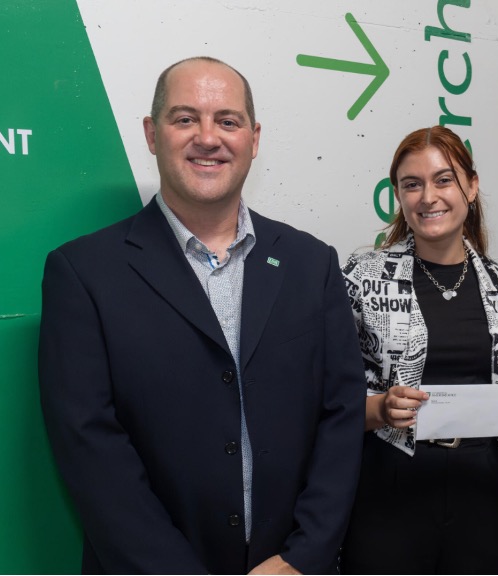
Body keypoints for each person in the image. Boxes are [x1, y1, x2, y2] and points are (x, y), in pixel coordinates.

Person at [38, 56, 365, 574]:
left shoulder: (312, 264)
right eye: (185, 118)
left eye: (227, 121)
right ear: (152, 134)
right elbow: (89, 447)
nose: (208, 138)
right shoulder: (83, 274)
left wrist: (304, 556)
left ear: (253, 139)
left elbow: (342, 415)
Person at [340, 126, 498, 574]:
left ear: (471, 186)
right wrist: (381, 409)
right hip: (389, 488)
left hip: (480, 492)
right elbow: (329, 404)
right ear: (399, 195)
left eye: (443, 180)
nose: (428, 197)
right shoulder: (361, 280)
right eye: (412, 184)